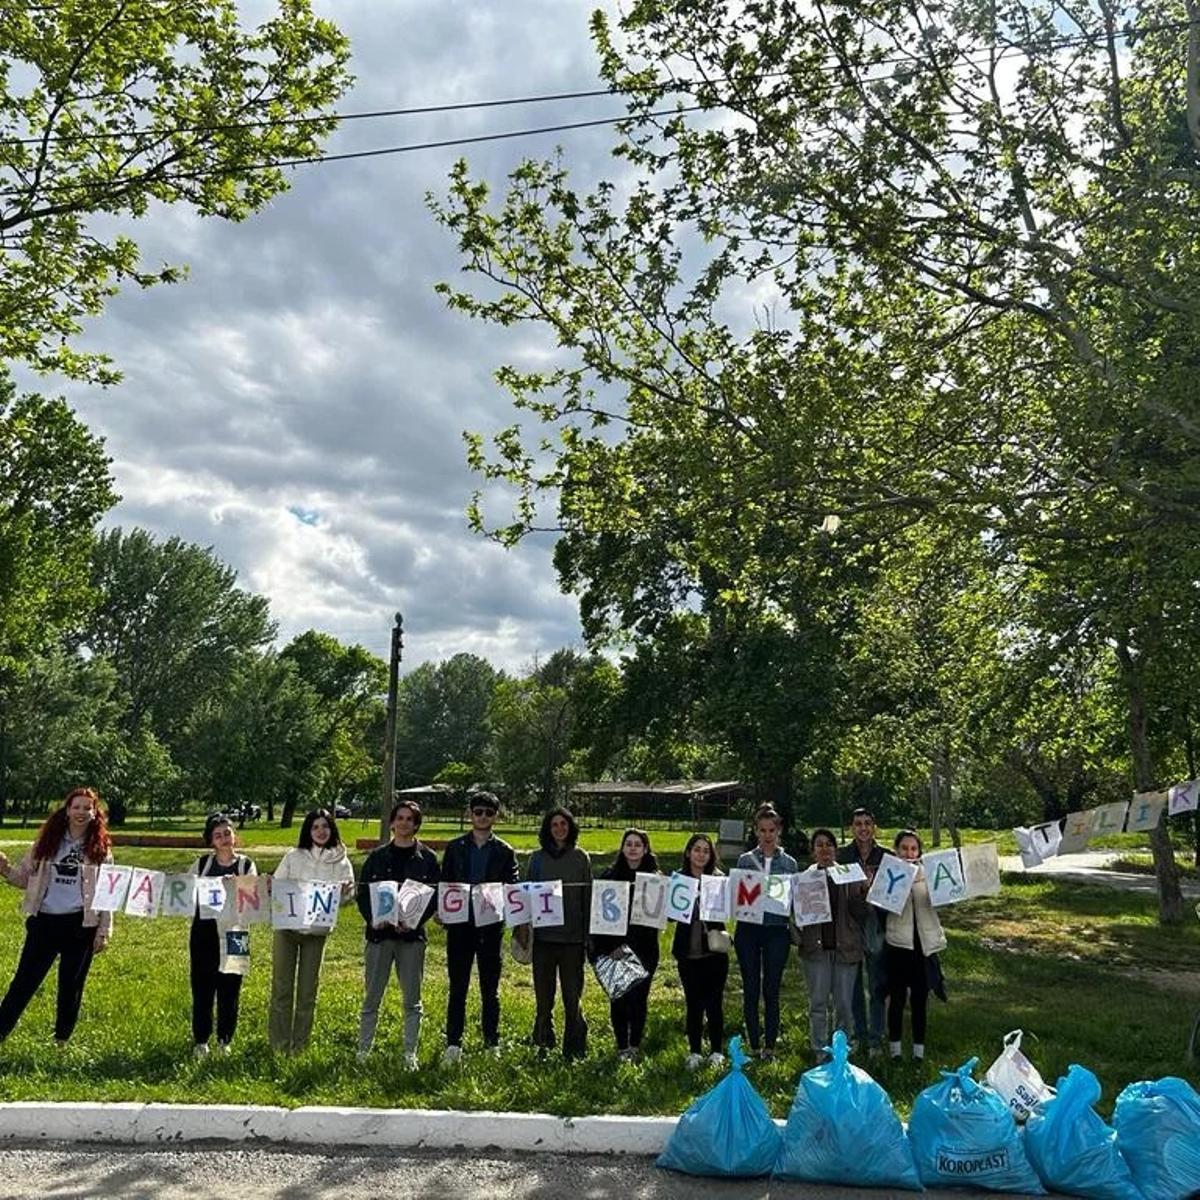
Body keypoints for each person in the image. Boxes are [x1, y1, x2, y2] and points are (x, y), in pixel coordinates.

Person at [0, 787, 113, 1045]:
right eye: (77, 807)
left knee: (71, 986)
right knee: (24, 982)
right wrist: (5, 869)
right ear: (67, 810)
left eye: (88, 808)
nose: (82, 812)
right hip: (45, 922)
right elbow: (25, 879)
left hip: (80, 925)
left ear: (95, 813)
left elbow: (108, 893)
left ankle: (61, 1040)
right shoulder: (46, 843)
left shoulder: (101, 848)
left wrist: (103, 931)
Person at [355, 798, 440, 1068]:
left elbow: (434, 898)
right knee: (372, 997)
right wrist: (373, 920)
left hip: (411, 939)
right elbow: (363, 894)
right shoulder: (377, 857)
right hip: (380, 937)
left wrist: (414, 923)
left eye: (409, 819)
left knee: (412, 1000)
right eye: (399, 818)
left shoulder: (428, 859)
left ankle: (409, 1053)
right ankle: (363, 1051)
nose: (404, 823)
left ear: (416, 825)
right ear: (392, 823)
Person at [439, 791, 519, 1064]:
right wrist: (442, 909)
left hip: (490, 926)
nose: (482, 816)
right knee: (457, 986)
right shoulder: (455, 847)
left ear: (496, 816)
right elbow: (445, 881)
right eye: (478, 812)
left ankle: (491, 1041)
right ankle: (453, 1043)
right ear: (469, 814)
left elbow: (512, 887)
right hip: (460, 925)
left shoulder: (505, 851)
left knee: (490, 987)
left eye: (488, 812)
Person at [269, 808, 355, 1053]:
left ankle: (299, 1046)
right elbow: (277, 886)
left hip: (316, 932)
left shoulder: (341, 861)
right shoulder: (293, 856)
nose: (320, 831)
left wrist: (346, 892)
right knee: (282, 988)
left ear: (332, 829)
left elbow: (348, 897)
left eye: (325, 826)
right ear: (308, 830)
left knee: (307, 991)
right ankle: (279, 1044)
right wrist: (270, 886)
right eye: (315, 827)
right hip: (287, 929)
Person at [526, 806, 592, 1059]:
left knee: (571, 995)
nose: (559, 829)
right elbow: (527, 895)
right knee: (544, 996)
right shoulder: (537, 859)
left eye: (563, 824)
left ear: (571, 827)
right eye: (554, 825)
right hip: (543, 939)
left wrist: (588, 936)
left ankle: (574, 1046)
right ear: (547, 829)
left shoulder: (581, 858)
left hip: (572, 939)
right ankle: (543, 1040)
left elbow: (588, 897)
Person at [190, 811, 257, 1057]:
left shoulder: (246, 864)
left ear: (234, 836)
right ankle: (201, 1040)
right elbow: (187, 895)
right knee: (202, 987)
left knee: (231, 987)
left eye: (227, 833)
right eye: (218, 835)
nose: (224, 838)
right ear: (211, 841)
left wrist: (238, 884)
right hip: (203, 933)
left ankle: (225, 1040)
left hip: (236, 932)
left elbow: (253, 900)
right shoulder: (201, 864)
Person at [734, 805, 799, 1058]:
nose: (767, 835)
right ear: (755, 831)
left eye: (772, 830)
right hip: (748, 930)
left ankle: (770, 1046)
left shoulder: (789, 863)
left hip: (776, 930)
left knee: (771, 988)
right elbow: (739, 895)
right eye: (762, 830)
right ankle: (753, 1044)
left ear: (779, 830)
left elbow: (795, 900)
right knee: (751, 988)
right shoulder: (745, 860)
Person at [592, 828, 661, 1062]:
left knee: (639, 998)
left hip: (645, 948)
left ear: (645, 849)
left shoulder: (656, 879)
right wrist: (612, 946)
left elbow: (660, 917)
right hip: (615, 948)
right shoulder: (609, 876)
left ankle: (635, 1045)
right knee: (619, 997)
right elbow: (601, 917)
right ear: (622, 847)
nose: (632, 848)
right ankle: (622, 1046)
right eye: (628, 843)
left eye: (637, 844)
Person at [796, 828, 865, 1060]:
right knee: (818, 1002)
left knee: (844, 1003)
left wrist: (863, 890)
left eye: (829, 844)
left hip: (845, 947)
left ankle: (842, 1048)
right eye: (819, 845)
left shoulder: (850, 875)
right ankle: (819, 1049)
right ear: (813, 851)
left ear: (835, 849)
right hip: (815, 949)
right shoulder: (803, 879)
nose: (825, 849)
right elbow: (795, 915)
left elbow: (861, 911)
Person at [884, 829, 946, 1061]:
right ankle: (895, 1051)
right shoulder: (889, 874)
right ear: (896, 851)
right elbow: (881, 906)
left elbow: (943, 900)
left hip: (923, 946)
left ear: (919, 851)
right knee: (897, 999)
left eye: (913, 848)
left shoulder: (930, 874)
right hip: (898, 945)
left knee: (920, 1000)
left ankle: (919, 1052)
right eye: (904, 848)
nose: (909, 853)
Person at [672, 833, 729, 1070]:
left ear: (711, 855)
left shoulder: (718, 880)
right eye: (697, 849)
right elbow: (668, 915)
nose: (701, 854)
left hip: (715, 952)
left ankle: (717, 1051)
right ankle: (695, 1051)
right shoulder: (679, 880)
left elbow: (726, 913)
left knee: (714, 1003)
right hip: (687, 952)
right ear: (688, 853)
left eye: (706, 850)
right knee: (693, 1003)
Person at [837, 806, 886, 1054]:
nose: (863, 828)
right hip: (850, 924)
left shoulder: (886, 857)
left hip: (877, 923)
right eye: (858, 824)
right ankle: (857, 1033)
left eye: (867, 823)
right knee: (853, 984)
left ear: (874, 827)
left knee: (877, 982)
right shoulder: (843, 857)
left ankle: (876, 1037)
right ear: (852, 828)